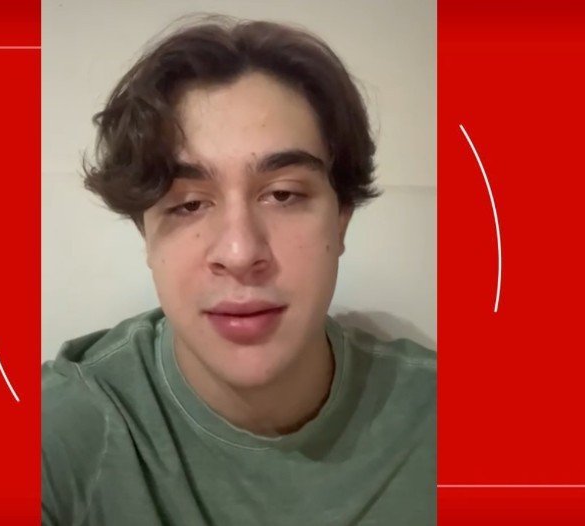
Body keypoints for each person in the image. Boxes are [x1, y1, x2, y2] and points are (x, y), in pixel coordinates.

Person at [42, 15, 435, 526]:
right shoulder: (65, 433)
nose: (239, 251)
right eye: (188, 204)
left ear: (341, 219)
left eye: (283, 194)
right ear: (146, 236)